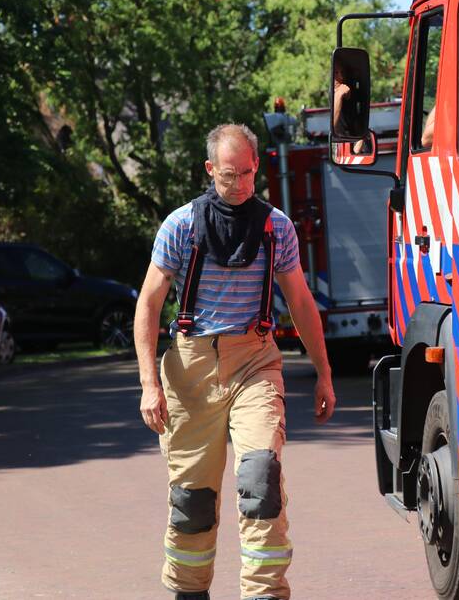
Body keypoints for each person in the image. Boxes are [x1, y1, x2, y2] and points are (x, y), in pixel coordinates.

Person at [134, 123, 337, 600]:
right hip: (191, 370)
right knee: (193, 499)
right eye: (229, 176)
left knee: (259, 476)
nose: (241, 185)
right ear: (210, 171)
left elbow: (302, 303)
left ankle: (264, 593)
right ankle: (189, 591)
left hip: (255, 363)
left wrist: (324, 374)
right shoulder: (180, 226)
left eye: (247, 174)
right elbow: (148, 303)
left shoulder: (276, 227)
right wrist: (148, 383)